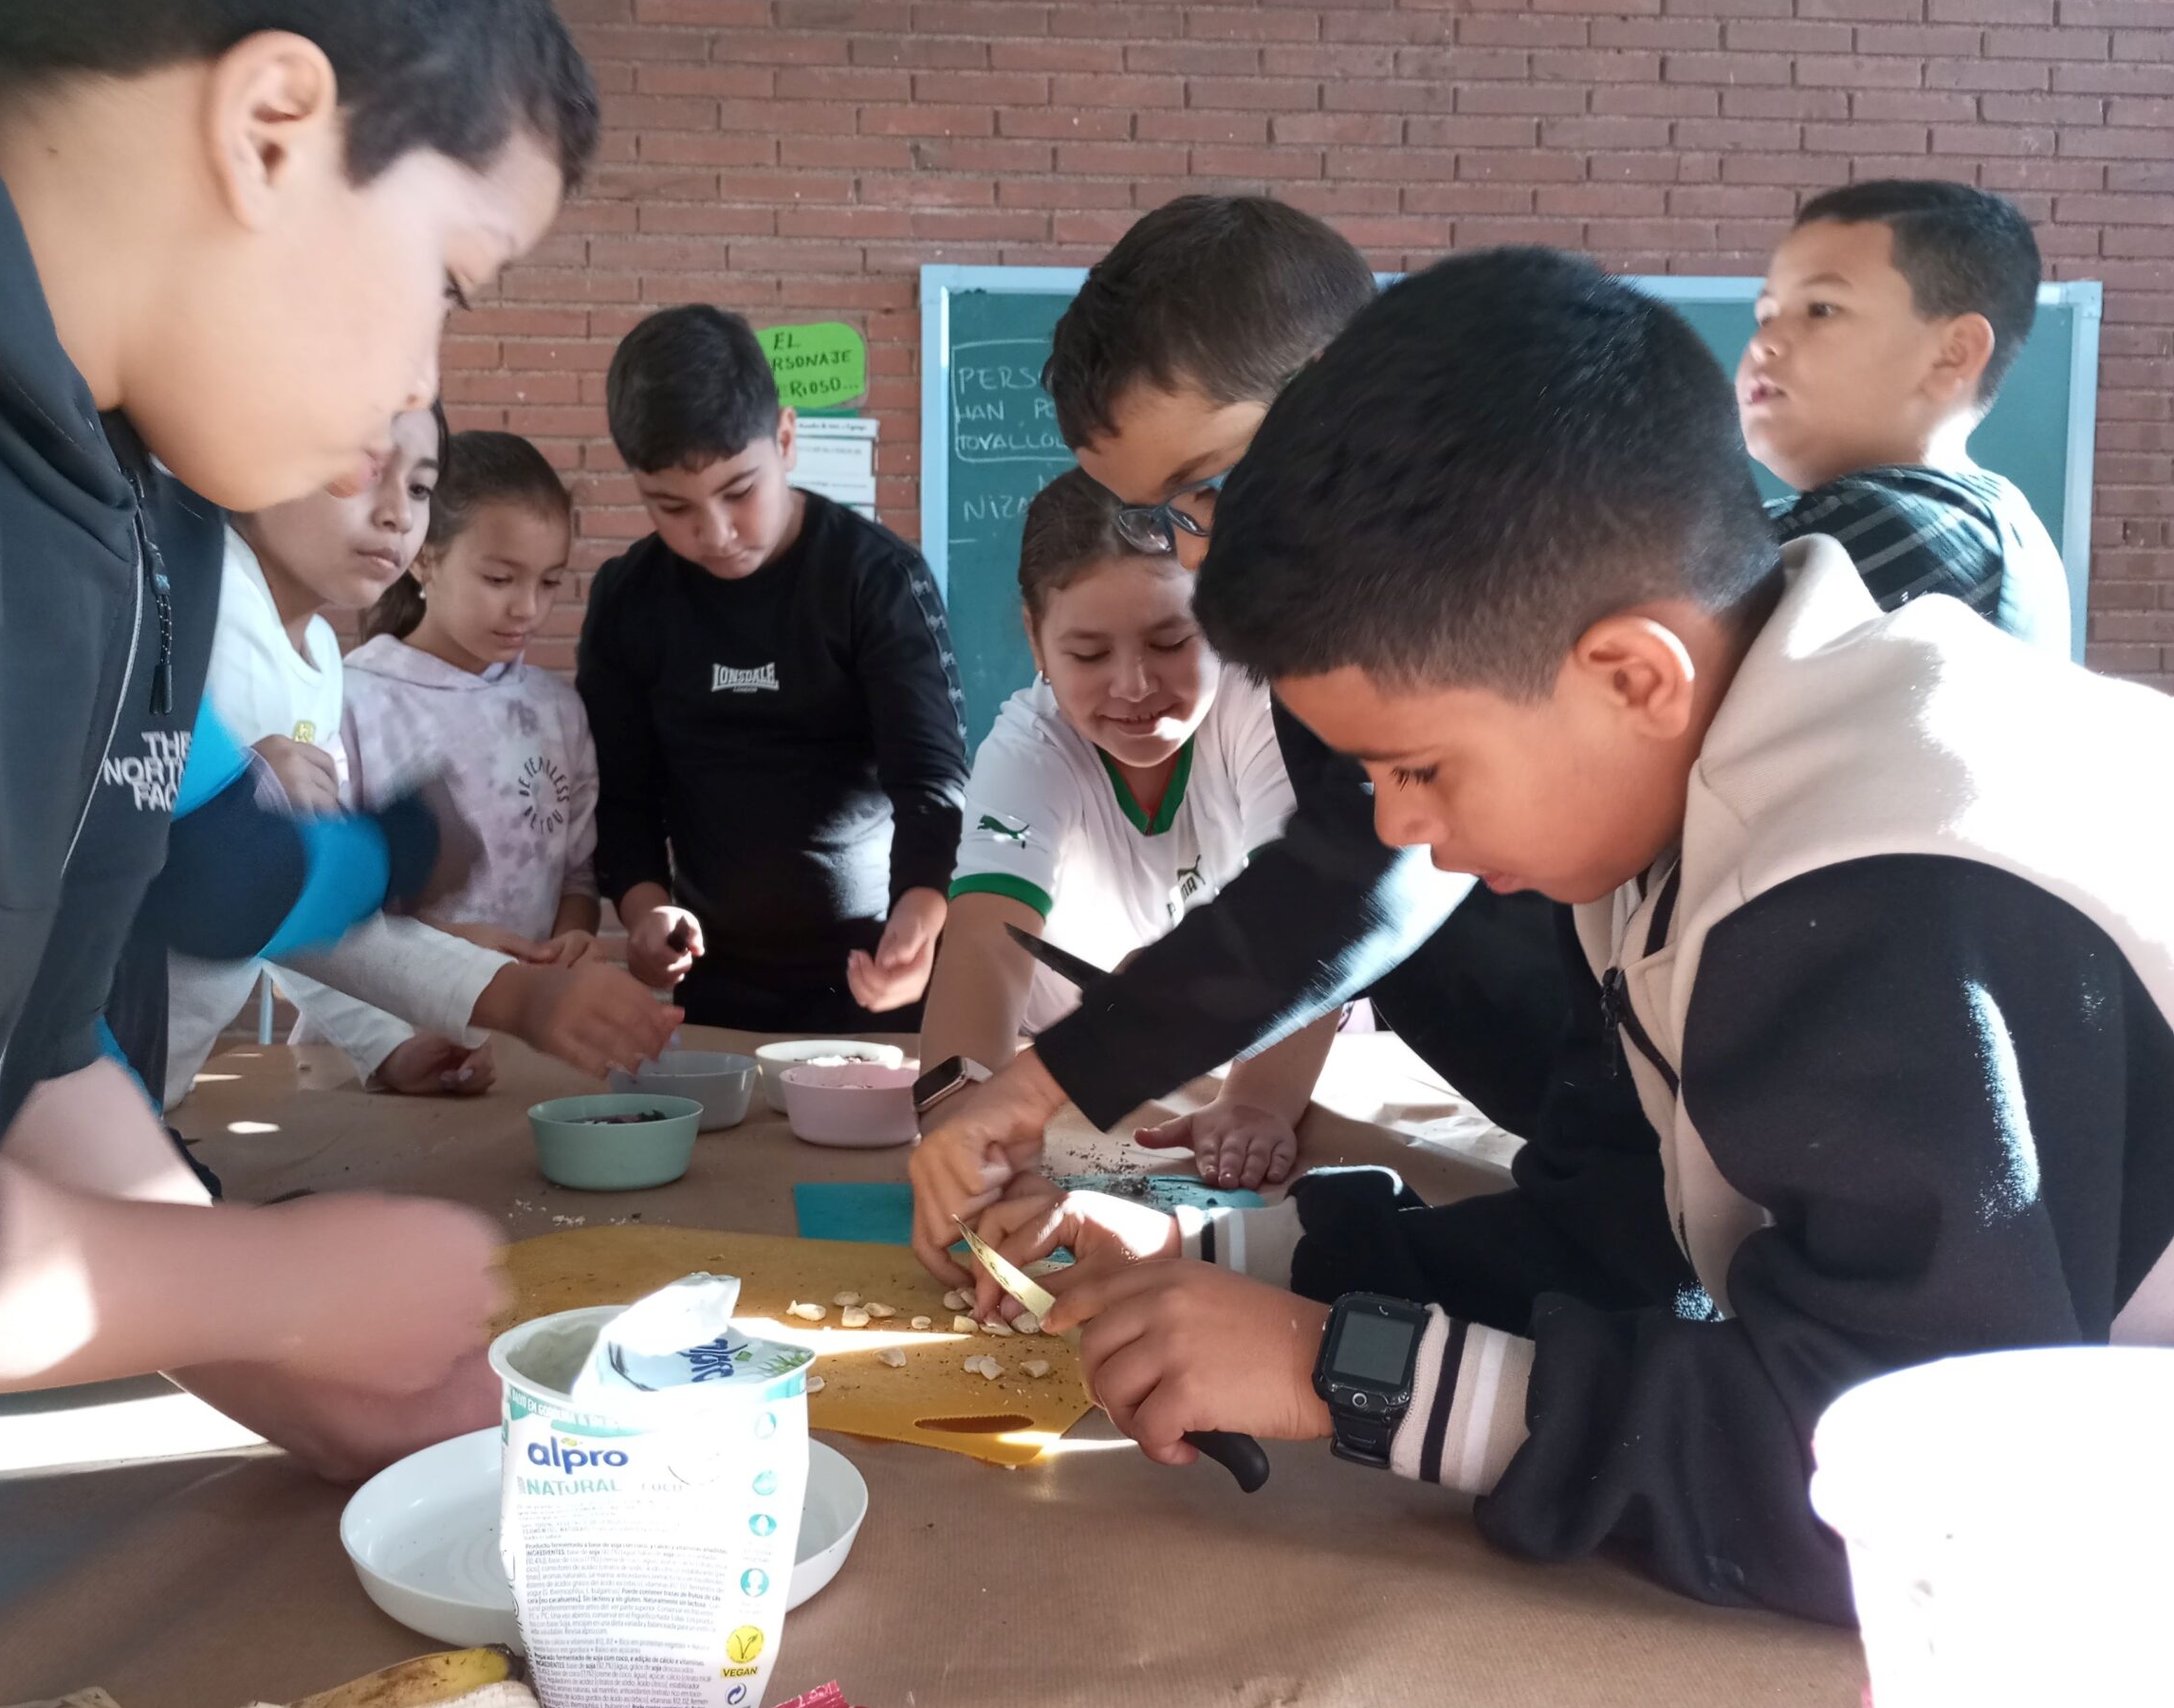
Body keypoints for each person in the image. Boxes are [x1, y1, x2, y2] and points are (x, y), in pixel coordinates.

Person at [983, 248, 2174, 1622]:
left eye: (1419, 767)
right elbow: (1623, 1233)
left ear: (1629, 675)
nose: (1401, 829)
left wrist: (1343, 1370)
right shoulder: (1683, 803)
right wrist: (1213, 1261)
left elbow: (1922, 1489)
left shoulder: (1882, 879)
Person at [0, 0, 603, 1482]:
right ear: (271, 129)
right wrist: (274, 1287)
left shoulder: (125, 494)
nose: (421, 383)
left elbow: (33, 1044)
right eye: (453, 283)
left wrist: (287, 1363)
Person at [911, 195, 1589, 1290]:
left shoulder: (1500, 593)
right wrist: (1197, 1244)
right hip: (1601, 1152)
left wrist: (1044, 1083)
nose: (1203, 555)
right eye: (1170, 516)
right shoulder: (1319, 648)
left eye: (1209, 485)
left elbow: (1361, 880)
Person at [921, 469, 1336, 1192]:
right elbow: (986, 942)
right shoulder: (1027, 752)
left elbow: (1312, 913)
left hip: (1251, 1048)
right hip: (1065, 1069)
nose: (1135, 686)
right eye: (1088, 655)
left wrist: (1259, 1100)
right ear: (1035, 638)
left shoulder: (1265, 709)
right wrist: (962, 1124)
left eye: (1172, 641)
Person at [577, 303, 970, 1034]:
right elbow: (622, 798)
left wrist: (921, 914)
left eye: (738, 492)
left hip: (881, 964)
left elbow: (932, 781)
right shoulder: (629, 599)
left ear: (785, 439)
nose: (716, 533)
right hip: (717, 977)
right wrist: (645, 912)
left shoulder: (877, 579)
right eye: (671, 507)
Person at [273, 430, 606, 1083]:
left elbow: (576, 877)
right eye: (499, 578)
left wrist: (572, 939)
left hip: (517, 1048)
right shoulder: (350, 701)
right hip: (367, 1050)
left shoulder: (557, 710)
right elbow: (300, 911)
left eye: (550, 582)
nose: (527, 608)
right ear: (425, 560)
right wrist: (449, 954)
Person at [1741, 179, 2070, 653]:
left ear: (1952, 355)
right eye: (1766, 315)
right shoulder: (1988, 516)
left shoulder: (1901, 528)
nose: (1764, 342)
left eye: (1821, 309)